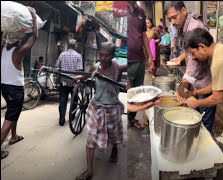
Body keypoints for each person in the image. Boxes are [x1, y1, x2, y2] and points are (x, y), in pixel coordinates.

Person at [75, 42, 127, 180]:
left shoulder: (118, 68)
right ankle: (89, 171)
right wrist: (79, 78)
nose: (103, 58)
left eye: (107, 55)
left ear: (112, 56)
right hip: (96, 108)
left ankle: (115, 149)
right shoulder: (95, 67)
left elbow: (130, 65)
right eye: (101, 54)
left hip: (112, 108)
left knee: (114, 134)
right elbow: (86, 76)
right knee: (90, 139)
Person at [164, 1, 216, 132]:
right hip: (194, 82)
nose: (172, 22)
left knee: (204, 122)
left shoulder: (195, 27)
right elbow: (189, 51)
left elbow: (195, 60)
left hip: (204, 82)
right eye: (169, 19)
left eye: (174, 17)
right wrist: (180, 58)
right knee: (195, 115)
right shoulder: (183, 27)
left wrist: (185, 82)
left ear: (183, 10)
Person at [1, 7, 38, 160]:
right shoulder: (19, 52)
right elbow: (34, 37)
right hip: (15, 89)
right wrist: (34, 17)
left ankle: (14, 136)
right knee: (9, 118)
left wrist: (4, 29)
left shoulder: (2, 50)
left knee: (13, 112)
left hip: (4, 86)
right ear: (18, 40)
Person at [182, 28, 223, 121]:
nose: (194, 57)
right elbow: (215, 85)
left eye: (193, 53)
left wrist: (196, 103)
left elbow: (217, 98)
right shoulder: (219, 49)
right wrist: (196, 92)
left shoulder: (219, 61)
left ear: (201, 47)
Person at [127, 1, 154, 129]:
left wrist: (149, 56)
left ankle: (132, 119)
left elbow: (143, 35)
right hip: (125, 60)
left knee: (136, 91)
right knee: (124, 90)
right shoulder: (119, 9)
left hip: (139, 59)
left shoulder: (141, 12)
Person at [55, 39, 83, 126]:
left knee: (63, 100)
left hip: (63, 82)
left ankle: (61, 120)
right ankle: (72, 117)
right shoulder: (78, 56)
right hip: (74, 82)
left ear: (68, 46)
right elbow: (79, 70)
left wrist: (58, 78)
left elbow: (57, 68)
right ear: (75, 46)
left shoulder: (62, 55)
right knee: (74, 100)